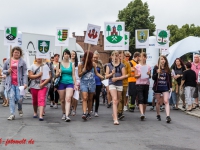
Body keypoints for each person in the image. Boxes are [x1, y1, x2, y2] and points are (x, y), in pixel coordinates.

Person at [3, 46, 27, 120]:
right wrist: (7, 71)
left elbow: (25, 73)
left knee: (19, 99)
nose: (16, 53)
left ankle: (19, 108)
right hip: (10, 83)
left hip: (19, 83)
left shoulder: (22, 62)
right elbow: (3, 71)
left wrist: (25, 83)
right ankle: (12, 114)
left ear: (20, 54)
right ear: (12, 52)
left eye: (18, 52)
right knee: (11, 97)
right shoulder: (8, 61)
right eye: (15, 52)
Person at [78, 51, 104, 121]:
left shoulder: (93, 64)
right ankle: (84, 113)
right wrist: (83, 71)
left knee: (90, 99)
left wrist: (103, 77)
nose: (93, 58)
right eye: (92, 57)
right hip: (84, 83)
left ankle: (89, 112)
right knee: (85, 97)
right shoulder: (81, 65)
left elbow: (96, 73)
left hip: (92, 83)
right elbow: (79, 75)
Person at [56, 49, 77, 122]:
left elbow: (73, 75)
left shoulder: (72, 64)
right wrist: (58, 72)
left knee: (68, 98)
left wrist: (75, 83)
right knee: (62, 100)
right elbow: (56, 75)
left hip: (70, 83)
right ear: (63, 55)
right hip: (61, 83)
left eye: (68, 54)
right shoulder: (59, 64)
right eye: (65, 54)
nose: (67, 55)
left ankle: (67, 115)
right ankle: (64, 113)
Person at [105, 51, 126, 125]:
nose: (115, 57)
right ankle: (116, 119)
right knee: (114, 100)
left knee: (117, 100)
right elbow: (106, 76)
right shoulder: (109, 65)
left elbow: (124, 75)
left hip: (119, 84)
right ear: (111, 56)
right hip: (112, 84)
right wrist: (112, 74)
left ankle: (114, 113)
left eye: (117, 56)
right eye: (114, 56)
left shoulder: (122, 65)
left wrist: (117, 78)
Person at [152, 55, 172, 123]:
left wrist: (170, 87)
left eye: (164, 59)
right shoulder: (156, 68)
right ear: (159, 61)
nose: (162, 61)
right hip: (158, 87)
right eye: (161, 59)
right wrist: (157, 73)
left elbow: (170, 79)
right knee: (158, 102)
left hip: (165, 87)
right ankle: (158, 114)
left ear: (165, 60)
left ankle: (168, 116)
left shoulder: (167, 69)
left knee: (166, 101)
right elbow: (153, 78)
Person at [135, 52, 151, 120]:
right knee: (140, 98)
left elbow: (150, 76)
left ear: (146, 58)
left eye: (144, 57)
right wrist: (139, 75)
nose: (143, 58)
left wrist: (149, 74)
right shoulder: (137, 66)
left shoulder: (148, 66)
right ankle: (141, 113)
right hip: (139, 84)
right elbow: (135, 76)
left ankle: (143, 113)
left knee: (145, 99)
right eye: (141, 57)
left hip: (146, 83)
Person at [118, 51, 131, 120]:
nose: (120, 57)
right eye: (119, 56)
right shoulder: (116, 63)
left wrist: (125, 75)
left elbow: (130, 73)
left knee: (123, 98)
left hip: (125, 83)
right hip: (117, 83)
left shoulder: (127, 64)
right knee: (119, 98)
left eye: (122, 56)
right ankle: (118, 112)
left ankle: (121, 111)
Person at [92, 51, 105, 117]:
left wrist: (103, 79)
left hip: (98, 83)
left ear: (98, 57)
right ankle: (90, 109)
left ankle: (96, 110)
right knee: (91, 96)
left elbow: (103, 73)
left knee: (97, 97)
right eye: (94, 57)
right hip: (91, 82)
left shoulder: (100, 64)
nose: (95, 59)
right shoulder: (90, 63)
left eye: (96, 58)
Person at [71, 50, 79, 116]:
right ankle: (71, 106)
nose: (72, 55)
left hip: (77, 81)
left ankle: (74, 109)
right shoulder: (68, 63)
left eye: (74, 54)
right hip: (69, 80)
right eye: (71, 54)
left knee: (75, 96)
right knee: (70, 96)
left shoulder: (78, 64)